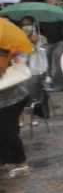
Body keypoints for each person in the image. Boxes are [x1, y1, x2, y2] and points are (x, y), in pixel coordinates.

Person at [0, 48, 31, 179]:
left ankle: (21, 164)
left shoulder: (4, 51)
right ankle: (5, 160)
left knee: (8, 131)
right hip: (11, 99)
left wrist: (8, 59)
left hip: (12, 100)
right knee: (5, 131)